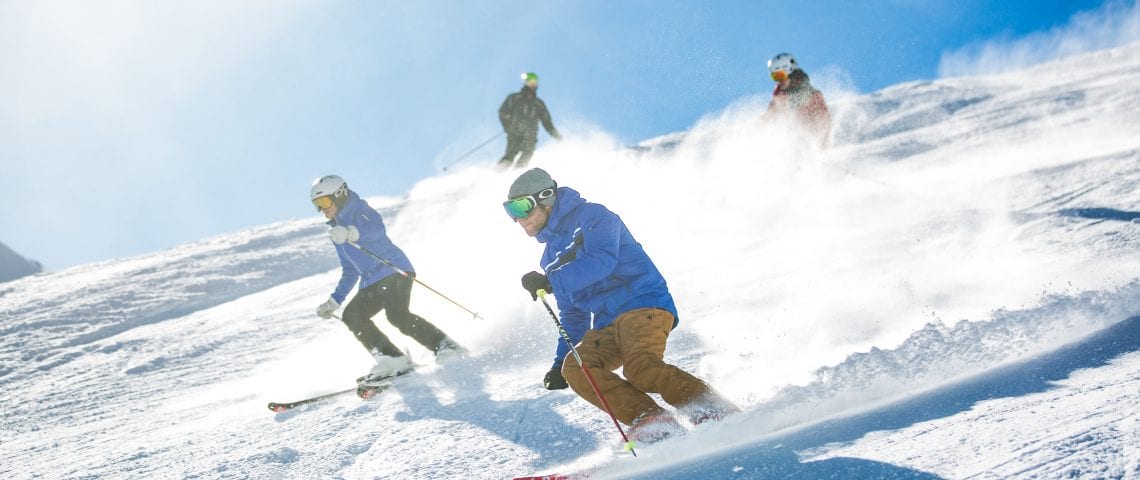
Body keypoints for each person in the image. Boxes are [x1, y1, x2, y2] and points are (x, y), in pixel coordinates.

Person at [504, 168, 738, 444]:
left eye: (522, 206)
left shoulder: (593, 216)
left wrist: (553, 280)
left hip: (642, 303)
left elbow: (603, 261)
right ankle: (651, 420)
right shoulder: (550, 258)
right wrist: (558, 363)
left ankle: (709, 407)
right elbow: (572, 313)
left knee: (641, 369)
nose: (518, 218)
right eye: (510, 210)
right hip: (607, 323)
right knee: (577, 367)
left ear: (546, 198)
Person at [310, 175, 464, 383]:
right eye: (317, 205)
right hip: (371, 282)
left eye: (324, 202)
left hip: (394, 271)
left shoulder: (359, 209)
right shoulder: (336, 231)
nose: (322, 209)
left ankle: (446, 346)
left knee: (397, 316)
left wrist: (350, 232)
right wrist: (334, 300)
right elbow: (349, 269)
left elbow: (376, 228)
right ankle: (391, 358)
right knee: (352, 315)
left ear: (340, 195)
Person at [764, 52, 831, 149]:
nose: (779, 80)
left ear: (790, 73)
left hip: (812, 137)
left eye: (780, 76)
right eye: (775, 77)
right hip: (793, 139)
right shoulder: (779, 92)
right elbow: (770, 114)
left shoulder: (810, 92)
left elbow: (822, 120)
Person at [497, 72, 561, 170]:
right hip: (515, 131)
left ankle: (517, 173)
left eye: (534, 83)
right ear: (525, 83)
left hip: (530, 134)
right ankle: (498, 171)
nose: (532, 85)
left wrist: (556, 135)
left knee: (527, 153)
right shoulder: (514, 98)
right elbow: (503, 112)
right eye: (530, 82)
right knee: (511, 153)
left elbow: (547, 122)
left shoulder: (538, 104)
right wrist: (507, 126)